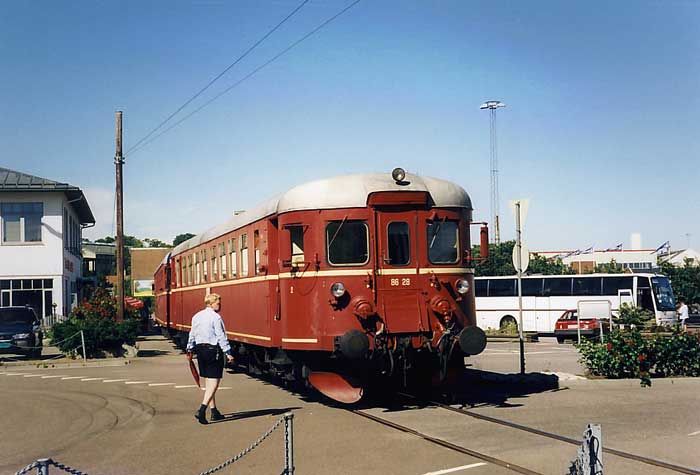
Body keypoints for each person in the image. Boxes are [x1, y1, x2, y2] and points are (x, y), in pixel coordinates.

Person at [186, 293, 234, 424]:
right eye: (218, 303)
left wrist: (189, 348)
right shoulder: (216, 317)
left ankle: (214, 411)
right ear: (211, 304)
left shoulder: (197, 316)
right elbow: (221, 336)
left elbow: (192, 334)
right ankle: (202, 410)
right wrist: (228, 352)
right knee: (214, 382)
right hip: (213, 350)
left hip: (200, 350)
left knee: (208, 380)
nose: (220, 305)